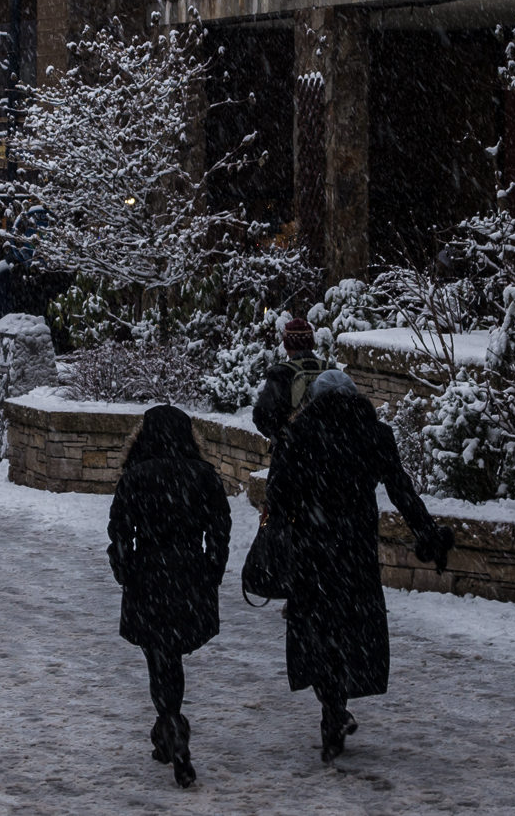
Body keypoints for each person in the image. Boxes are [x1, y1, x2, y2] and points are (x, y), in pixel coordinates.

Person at [264, 369, 453, 762]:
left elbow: (278, 494)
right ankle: (337, 705)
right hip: (356, 553)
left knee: (317, 631)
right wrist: (428, 534)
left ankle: (331, 707)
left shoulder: (300, 435)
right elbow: (402, 490)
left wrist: (283, 526)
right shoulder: (375, 435)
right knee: (350, 629)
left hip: (313, 553)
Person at [106, 406, 231, 789]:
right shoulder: (203, 476)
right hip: (189, 572)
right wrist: (211, 571)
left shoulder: (137, 476)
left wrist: (124, 570)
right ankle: (169, 725)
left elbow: (120, 531)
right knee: (171, 651)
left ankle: (171, 722)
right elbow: (220, 529)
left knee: (159, 653)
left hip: (150, 573)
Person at [252, 317, 332, 444]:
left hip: (293, 453)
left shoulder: (281, 373)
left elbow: (261, 416)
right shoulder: (330, 370)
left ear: (287, 345)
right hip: (328, 450)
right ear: (311, 343)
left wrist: (281, 437)